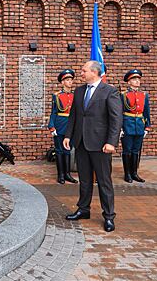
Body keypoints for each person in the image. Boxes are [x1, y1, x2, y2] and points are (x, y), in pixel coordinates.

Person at [63, 60, 122, 232]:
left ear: (94, 72)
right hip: (81, 143)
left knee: (104, 181)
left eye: (83, 71)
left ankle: (109, 216)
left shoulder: (109, 91)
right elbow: (74, 115)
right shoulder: (80, 90)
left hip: (101, 145)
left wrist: (111, 142)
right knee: (85, 180)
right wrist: (68, 136)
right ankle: (83, 209)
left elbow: (116, 119)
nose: (80, 74)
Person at [48, 69, 78, 184]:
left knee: (68, 150)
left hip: (71, 126)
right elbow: (53, 112)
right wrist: (52, 126)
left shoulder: (75, 96)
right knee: (60, 151)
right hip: (60, 125)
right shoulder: (57, 96)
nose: (70, 82)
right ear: (62, 82)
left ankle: (67, 174)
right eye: (67, 80)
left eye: (71, 80)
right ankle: (60, 175)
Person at [121, 69, 151, 183]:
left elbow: (146, 112)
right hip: (127, 125)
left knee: (136, 150)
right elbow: (119, 113)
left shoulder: (144, 95)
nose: (137, 81)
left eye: (138, 79)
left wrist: (147, 127)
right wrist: (120, 128)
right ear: (129, 82)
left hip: (139, 125)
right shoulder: (123, 95)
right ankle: (127, 174)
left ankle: (134, 173)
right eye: (134, 79)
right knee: (127, 150)